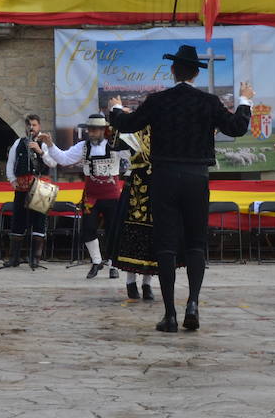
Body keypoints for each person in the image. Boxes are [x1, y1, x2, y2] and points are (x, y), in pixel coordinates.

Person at [106, 44, 253, 333]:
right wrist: (245, 100)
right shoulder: (208, 101)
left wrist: (114, 108)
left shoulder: (157, 100)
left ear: (173, 70)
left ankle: (170, 314)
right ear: (196, 73)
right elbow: (236, 127)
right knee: (196, 243)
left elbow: (127, 124)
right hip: (197, 177)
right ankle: (193, 304)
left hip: (164, 177)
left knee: (166, 246)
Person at [40, 114, 129, 279]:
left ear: (103, 130)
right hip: (91, 196)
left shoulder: (116, 146)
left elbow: (134, 155)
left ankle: (112, 264)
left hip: (112, 196)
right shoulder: (83, 147)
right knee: (88, 228)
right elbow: (64, 159)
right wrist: (50, 145)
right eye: (89, 129)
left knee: (113, 230)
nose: (91, 132)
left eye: (94, 129)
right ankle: (96, 261)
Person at [2, 114, 51, 270]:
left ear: (39, 126)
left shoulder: (46, 143)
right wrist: (12, 180)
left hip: (42, 186)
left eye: (34, 125)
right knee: (18, 220)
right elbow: (11, 163)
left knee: (39, 221)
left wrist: (40, 151)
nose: (32, 128)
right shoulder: (18, 142)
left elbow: (53, 162)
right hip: (22, 185)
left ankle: (35, 259)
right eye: (29, 125)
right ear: (25, 127)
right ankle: (14, 258)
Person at [112, 129, 156, 302]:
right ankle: (131, 282)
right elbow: (114, 144)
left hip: (157, 190)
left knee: (153, 236)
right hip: (136, 192)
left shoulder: (162, 129)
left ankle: (147, 283)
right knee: (132, 235)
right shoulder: (133, 133)